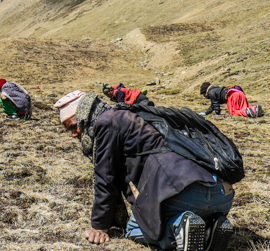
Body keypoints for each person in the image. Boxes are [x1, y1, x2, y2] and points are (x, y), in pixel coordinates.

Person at [55, 90, 234, 251]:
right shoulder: (132, 115)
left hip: (182, 191)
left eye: (73, 126)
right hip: (221, 192)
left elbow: (106, 178)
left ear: (84, 116)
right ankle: (211, 226)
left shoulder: (106, 123)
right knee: (185, 213)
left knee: (133, 228)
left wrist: (98, 226)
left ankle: (178, 228)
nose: (73, 134)